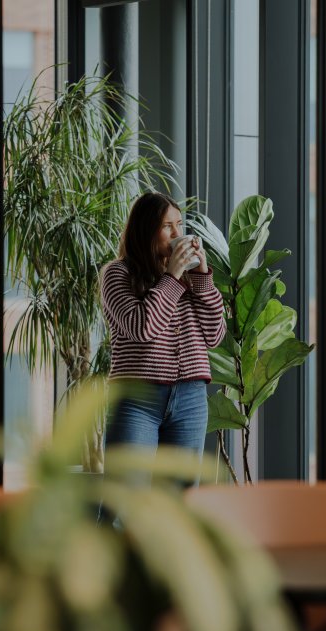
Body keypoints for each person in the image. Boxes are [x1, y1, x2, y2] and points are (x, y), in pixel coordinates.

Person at [99, 192, 226, 484]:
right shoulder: (117, 274)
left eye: (179, 224)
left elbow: (215, 335)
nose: (177, 234)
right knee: (125, 498)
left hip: (191, 398)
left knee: (179, 500)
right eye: (167, 226)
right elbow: (142, 327)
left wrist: (203, 276)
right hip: (136, 398)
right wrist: (171, 276)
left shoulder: (191, 279)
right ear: (146, 230)